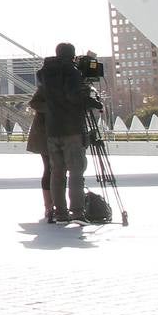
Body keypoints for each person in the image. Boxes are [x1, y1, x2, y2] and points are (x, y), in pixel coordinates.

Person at [38, 43, 102, 222]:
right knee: (75, 171)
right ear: (72, 56)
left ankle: (60, 213)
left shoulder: (45, 73)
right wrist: (91, 101)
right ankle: (78, 212)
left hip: (52, 130)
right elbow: (73, 96)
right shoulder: (72, 72)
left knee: (57, 172)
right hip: (72, 129)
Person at [27, 74, 53, 223]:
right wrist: (54, 109)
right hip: (45, 134)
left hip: (56, 132)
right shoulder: (48, 83)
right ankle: (50, 206)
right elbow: (34, 102)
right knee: (50, 169)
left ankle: (57, 205)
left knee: (58, 169)